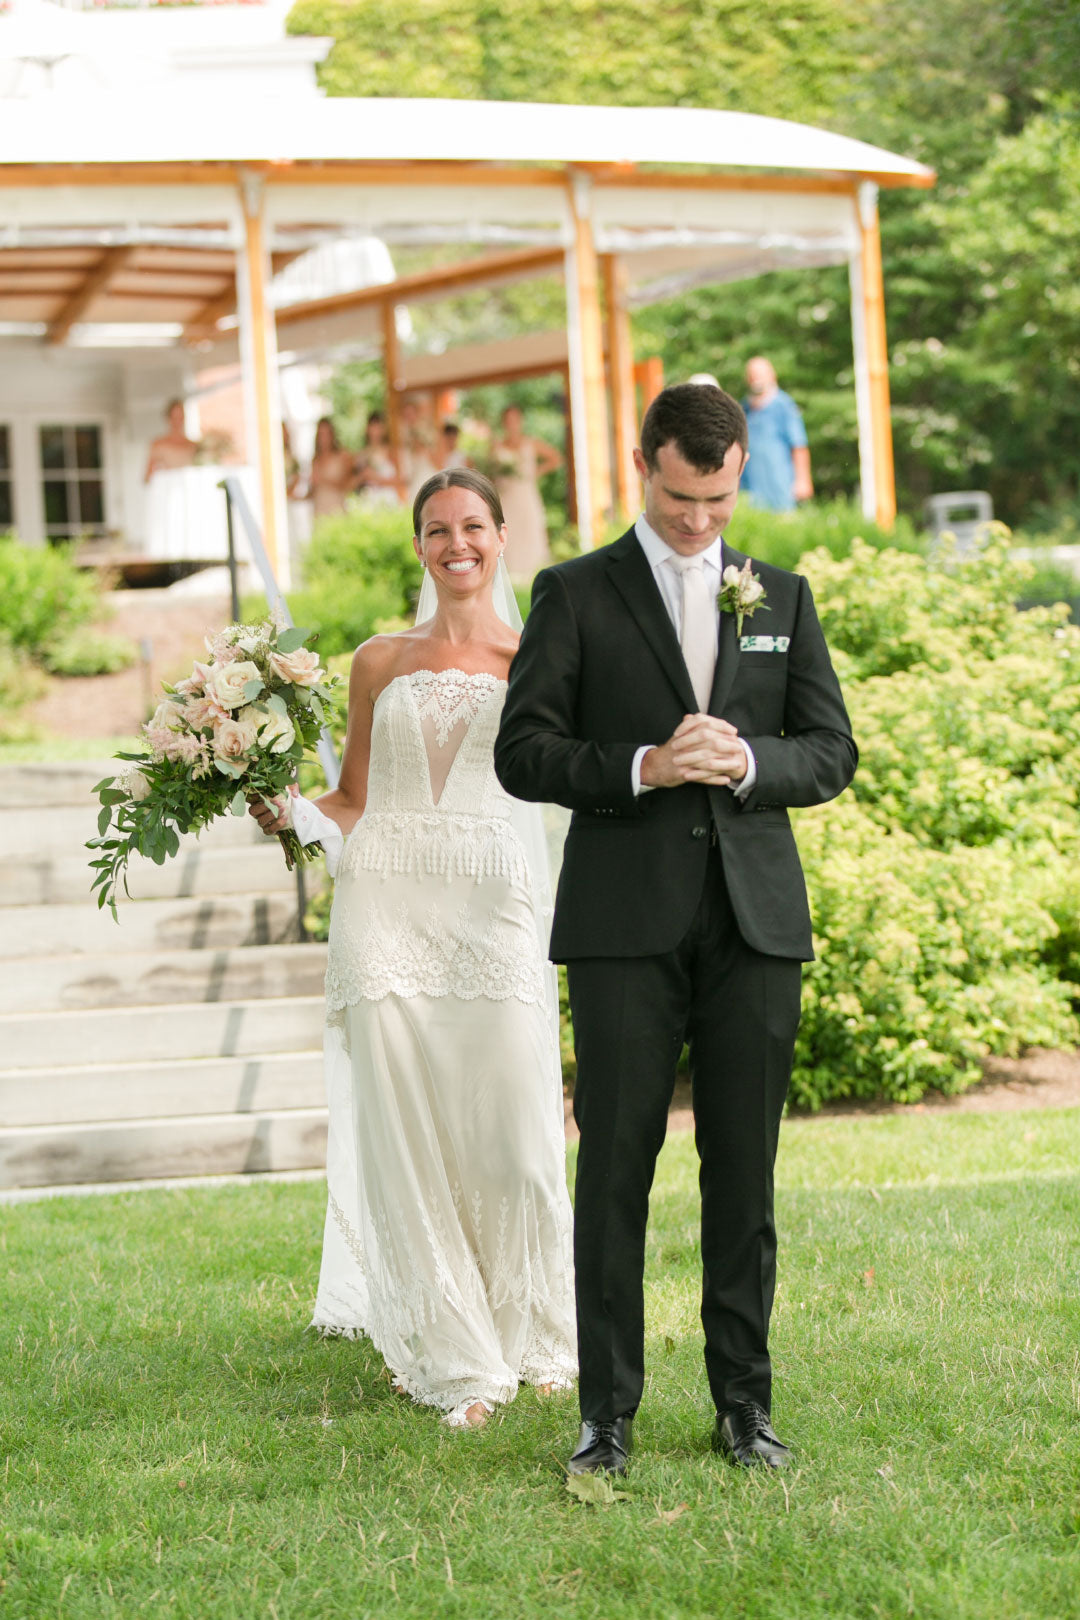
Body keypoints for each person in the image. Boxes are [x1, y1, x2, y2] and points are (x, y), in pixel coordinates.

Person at [495, 383, 857, 1474]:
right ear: (642, 466)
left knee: (744, 1176)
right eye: (679, 496)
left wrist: (746, 761)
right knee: (614, 1170)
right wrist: (645, 767)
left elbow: (830, 751)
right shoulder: (575, 592)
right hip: (621, 925)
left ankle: (743, 1407)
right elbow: (525, 752)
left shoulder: (781, 595)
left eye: (718, 498)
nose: (700, 520)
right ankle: (605, 1415)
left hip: (755, 926)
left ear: (739, 472)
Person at [250, 468, 576, 1429]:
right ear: (420, 546)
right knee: (407, 1144)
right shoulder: (376, 660)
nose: (456, 544)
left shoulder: (535, 660)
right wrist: (285, 813)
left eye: (472, 526)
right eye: (437, 530)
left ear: (502, 536)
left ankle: (543, 1336)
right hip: (382, 908)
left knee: (516, 1141)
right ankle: (454, 1356)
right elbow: (349, 801)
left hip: (491, 909)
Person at [492, 405, 562, 581]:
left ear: (520, 421)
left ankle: (531, 571)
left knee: (529, 527)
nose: (512, 424)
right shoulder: (497, 446)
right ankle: (510, 571)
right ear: (503, 423)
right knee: (507, 528)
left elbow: (555, 458)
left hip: (525, 493)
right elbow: (491, 472)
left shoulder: (531, 443)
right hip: (506, 495)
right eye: (508, 420)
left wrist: (537, 471)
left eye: (515, 419)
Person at [739, 357, 813, 511]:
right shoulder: (744, 407)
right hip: (751, 485)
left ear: (772, 376)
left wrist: (803, 480)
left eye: (760, 374)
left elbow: (799, 445)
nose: (756, 379)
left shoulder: (783, 405)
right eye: (752, 375)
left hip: (780, 484)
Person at [308, 416, 359, 520]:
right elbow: (312, 492)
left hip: (337, 510)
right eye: (321, 434)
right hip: (319, 511)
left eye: (327, 434)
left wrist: (323, 480)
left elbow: (348, 485)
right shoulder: (315, 459)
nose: (324, 438)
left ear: (332, 435)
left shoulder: (343, 456)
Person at [354, 411, 401, 508]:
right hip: (368, 499)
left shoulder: (391, 451)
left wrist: (377, 478)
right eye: (373, 427)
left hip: (388, 499)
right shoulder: (361, 454)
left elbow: (400, 481)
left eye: (379, 427)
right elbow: (353, 483)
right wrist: (363, 476)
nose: (375, 431)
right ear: (367, 429)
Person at [144, 398, 198, 481]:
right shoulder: (158, 444)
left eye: (180, 416)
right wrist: (158, 472)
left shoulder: (193, 445)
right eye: (174, 417)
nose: (177, 421)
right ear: (168, 418)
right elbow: (147, 479)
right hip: (168, 491)